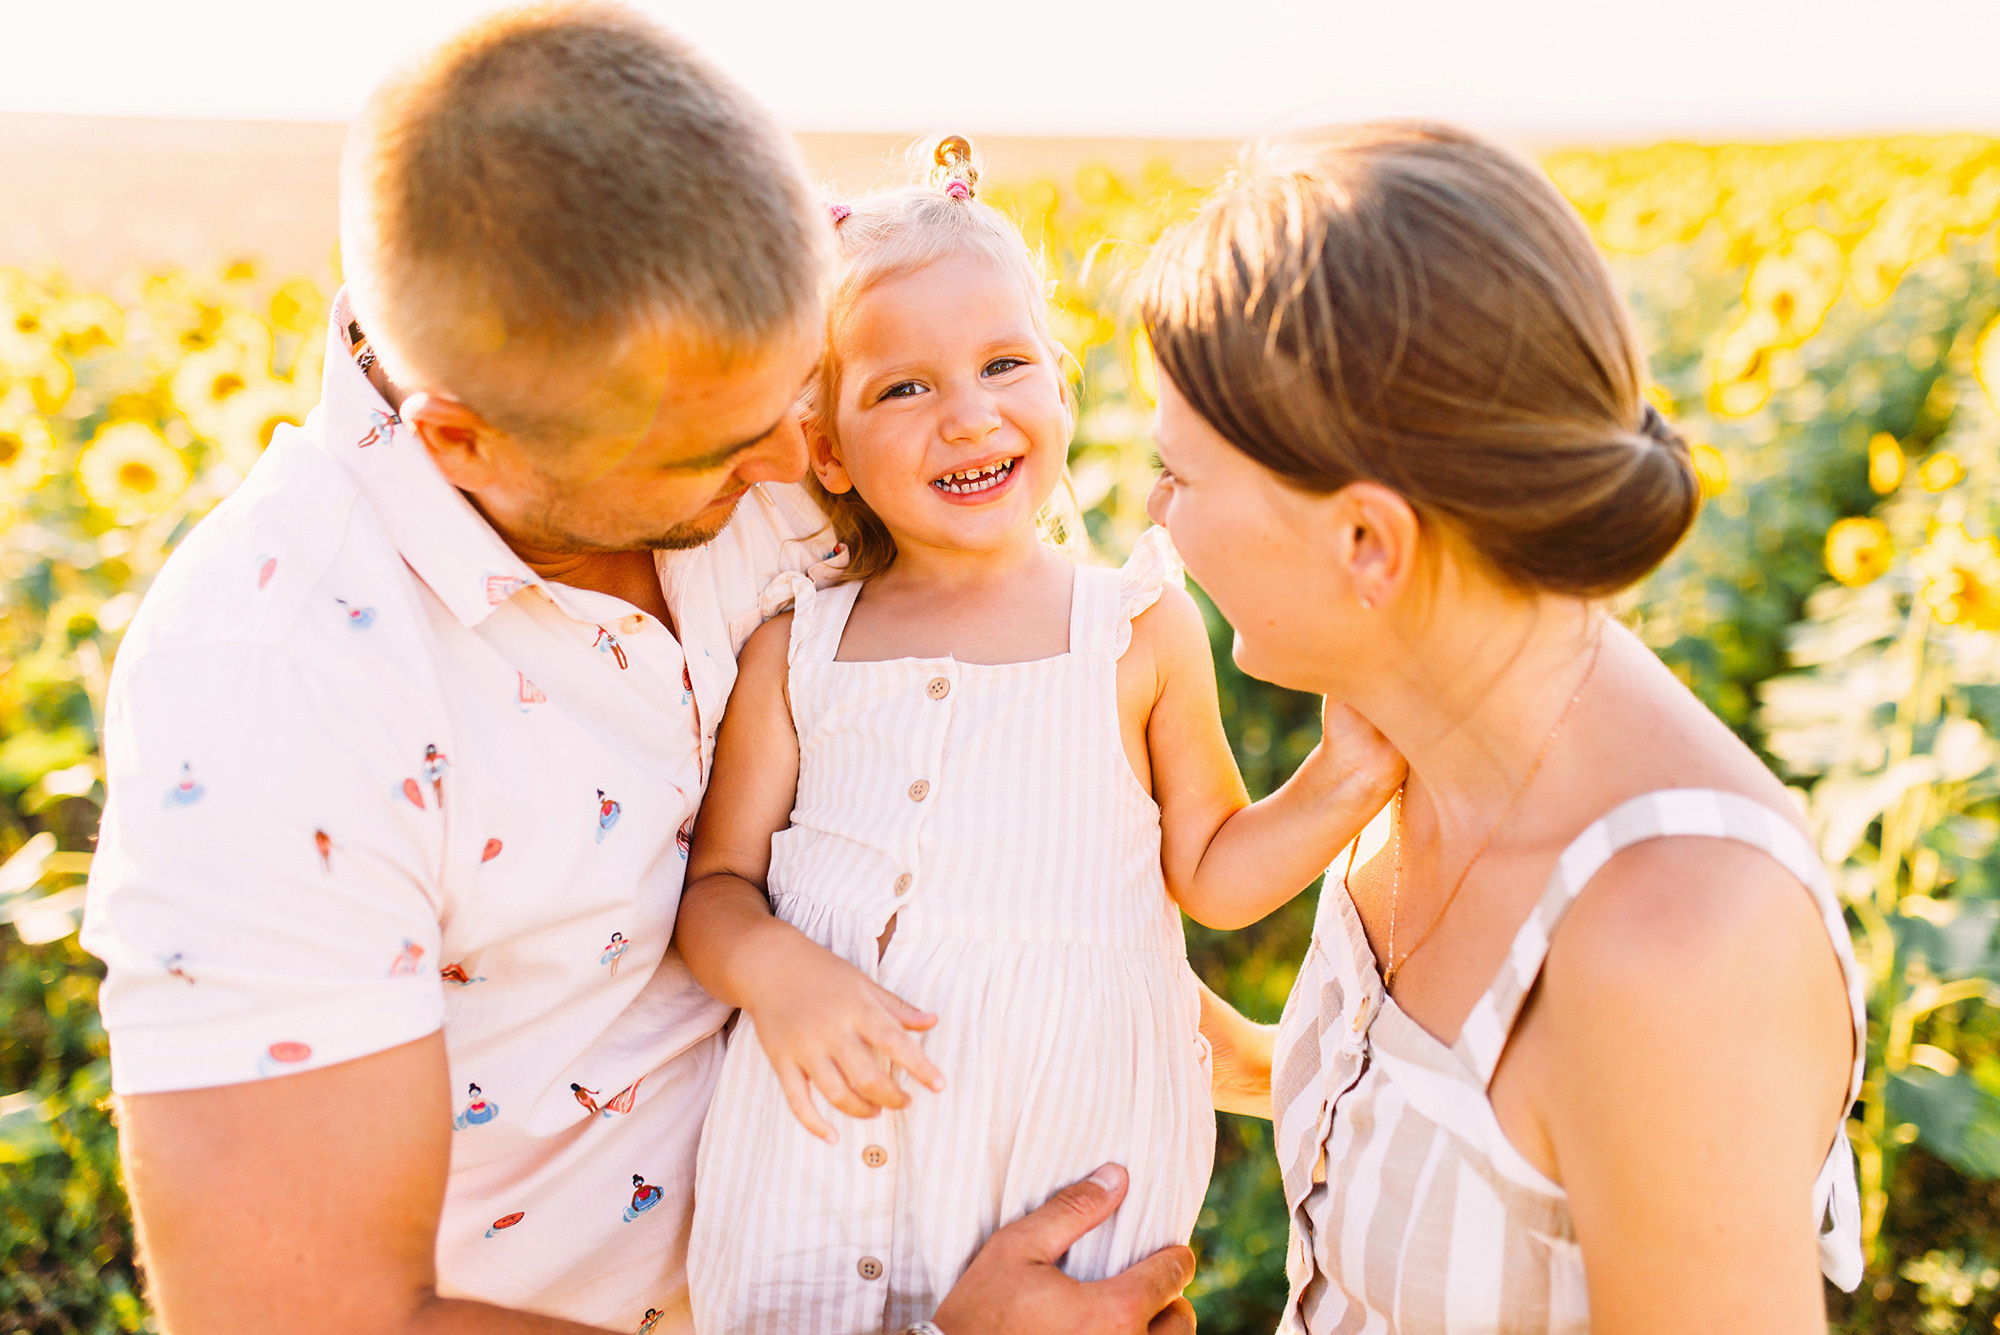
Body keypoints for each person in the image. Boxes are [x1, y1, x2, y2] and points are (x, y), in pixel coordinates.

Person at [79, 7, 1195, 1333]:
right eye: (720, 453)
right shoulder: (276, 685)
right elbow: (311, 1315)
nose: (796, 472)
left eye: (803, 393)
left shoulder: (728, 364)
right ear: (464, 442)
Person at [1145, 122, 1866, 1333]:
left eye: (1179, 475)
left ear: (1367, 544)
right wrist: (1241, 1062)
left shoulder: (1678, 941)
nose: (1156, 519)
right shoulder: (1408, 746)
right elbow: (1505, 1154)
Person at [672, 141, 1403, 1333]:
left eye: (1003, 364)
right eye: (900, 389)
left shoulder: (1129, 623)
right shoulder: (796, 649)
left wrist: (1345, 778)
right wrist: (778, 974)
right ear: (824, 452)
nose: (966, 418)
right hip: (810, 1163)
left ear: (1058, 388)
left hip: (1063, 1173)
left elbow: (1211, 871)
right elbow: (715, 887)